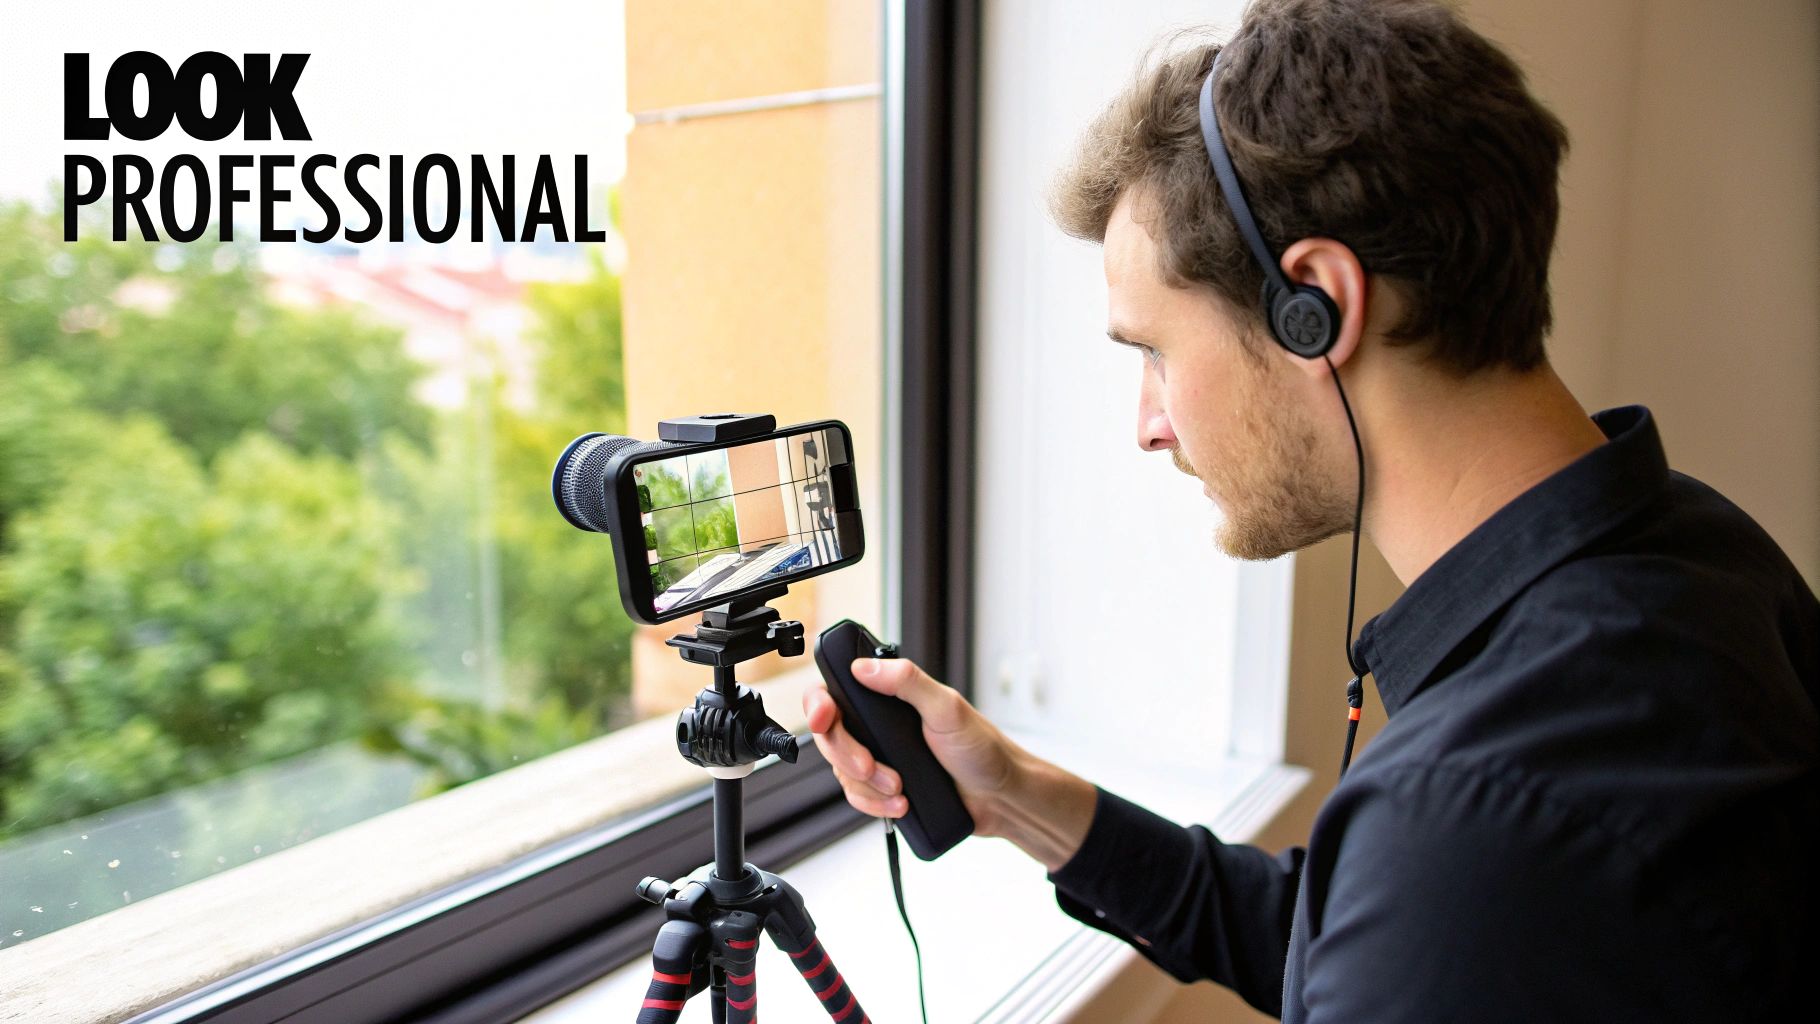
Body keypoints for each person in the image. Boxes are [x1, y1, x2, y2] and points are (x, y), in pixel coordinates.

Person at [804, 0, 1820, 1020]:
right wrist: (1015, 793)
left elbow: (1429, 899)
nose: (1148, 426)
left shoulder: (1473, 821)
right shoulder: (1702, 552)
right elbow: (1357, 931)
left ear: (1316, 306)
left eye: (1154, 350)